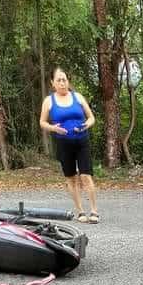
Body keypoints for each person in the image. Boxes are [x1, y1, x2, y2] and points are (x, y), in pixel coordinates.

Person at [39, 67, 99, 223]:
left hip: (82, 140)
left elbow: (91, 118)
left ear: (68, 81)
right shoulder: (48, 101)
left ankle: (94, 211)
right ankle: (80, 211)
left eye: (64, 79)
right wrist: (54, 128)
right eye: (58, 80)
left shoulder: (77, 97)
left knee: (86, 175)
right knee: (71, 178)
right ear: (53, 83)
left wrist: (86, 125)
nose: (62, 83)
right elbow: (42, 122)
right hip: (64, 143)